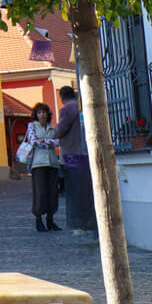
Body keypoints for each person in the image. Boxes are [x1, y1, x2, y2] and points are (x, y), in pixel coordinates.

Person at [54, 85, 93, 233]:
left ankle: (79, 224)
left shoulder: (67, 108)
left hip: (72, 152)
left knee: (74, 188)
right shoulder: (81, 104)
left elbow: (61, 129)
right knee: (85, 187)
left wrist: (54, 134)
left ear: (62, 97)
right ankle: (87, 222)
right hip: (84, 151)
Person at [26, 102, 62, 231]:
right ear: (36, 115)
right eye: (39, 112)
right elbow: (33, 141)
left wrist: (43, 142)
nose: (42, 115)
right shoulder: (32, 126)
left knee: (53, 192)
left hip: (52, 163)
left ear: (48, 114)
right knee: (40, 192)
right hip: (38, 163)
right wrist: (49, 143)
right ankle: (38, 220)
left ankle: (50, 219)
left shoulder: (52, 128)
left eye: (44, 112)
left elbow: (59, 142)